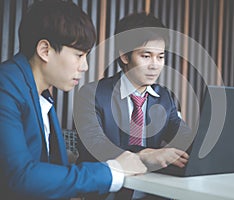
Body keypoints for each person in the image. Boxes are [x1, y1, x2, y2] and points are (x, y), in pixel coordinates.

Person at [0, 1, 147, 199]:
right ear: (45, 50)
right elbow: (20, 176)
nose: (85, 66)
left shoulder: (40, 94)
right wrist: (113, 171)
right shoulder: (6, 85)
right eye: (79, 55)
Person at [74, 12, 192, 200]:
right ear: (125, 56)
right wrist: (143, 155)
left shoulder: (164, 98)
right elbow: (95, 147)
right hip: (105, 194)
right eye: (146, 56)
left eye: (160, 57)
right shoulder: (91, 95)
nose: (155, 65)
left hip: (152, 193)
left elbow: (184, 137)